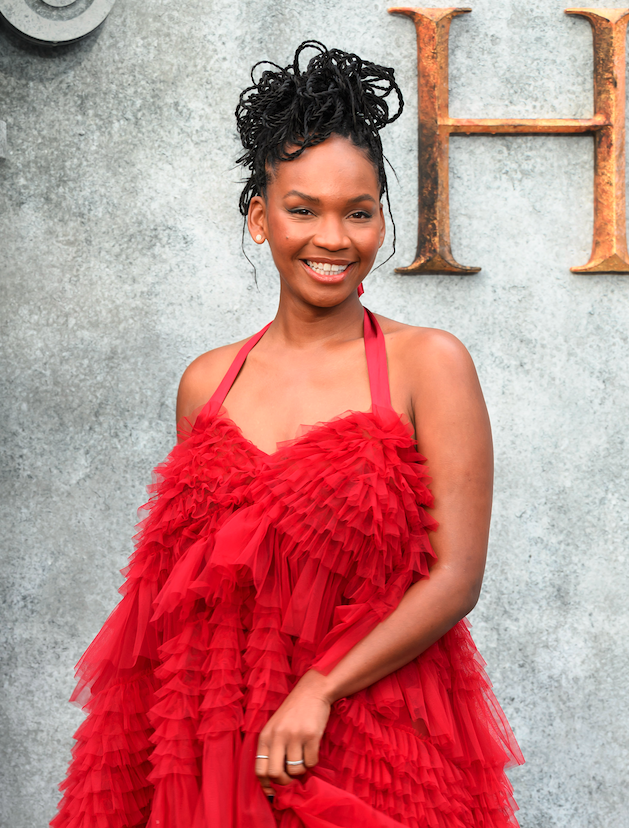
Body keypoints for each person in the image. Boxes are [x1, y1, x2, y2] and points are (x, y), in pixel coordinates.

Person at [52, 41, 523, 828]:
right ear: (260, 218)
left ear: (382, 218)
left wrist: (320, 687)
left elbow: (455, 579)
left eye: (359, 212)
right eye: (303, 210)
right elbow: (183, 589)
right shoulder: (208, 382)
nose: (333, 239)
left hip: (368, 723)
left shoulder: (426, 364)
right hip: (211, 730)